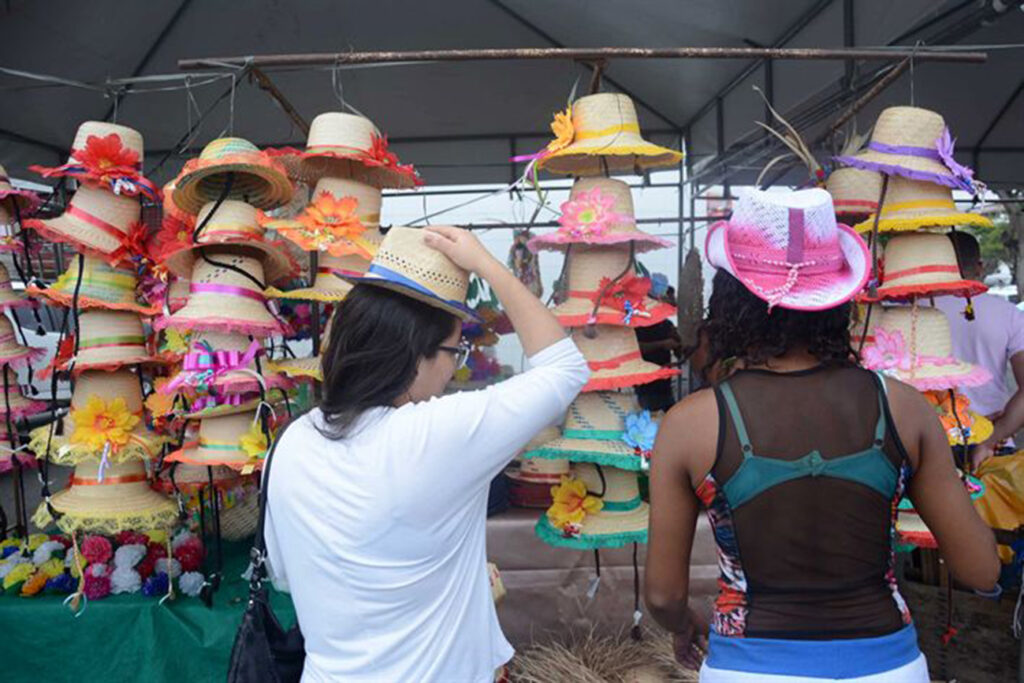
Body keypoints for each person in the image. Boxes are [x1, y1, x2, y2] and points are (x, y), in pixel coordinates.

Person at [644, 189, 999, 682]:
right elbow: (980, 570)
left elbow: (663, 596)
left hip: (748, 669)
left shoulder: (690, 423)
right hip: (887, 668)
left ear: (728, 302)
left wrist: (684, 625)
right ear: (836, 298)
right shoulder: (903, 407)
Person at [264, 226, 589, 682]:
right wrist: (486, 264)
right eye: (455, 352)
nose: (453, 370)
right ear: (415, 355)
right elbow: (566, 368)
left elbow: (282, 574)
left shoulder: (289, 444)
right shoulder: (434, 435)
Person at [934, 231, 1024, 467]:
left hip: (930, 445)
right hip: (994, 446)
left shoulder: (912, 312)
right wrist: (989, 441)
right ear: (980, 266)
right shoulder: (1008, 314)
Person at [635, 283, 682, 413]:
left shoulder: (667, 325)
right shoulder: (640, 323)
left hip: (665, 387)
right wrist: (662, 344)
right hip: (646, 386)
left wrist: (679, 340)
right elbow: (636, 348)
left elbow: (680, 354)